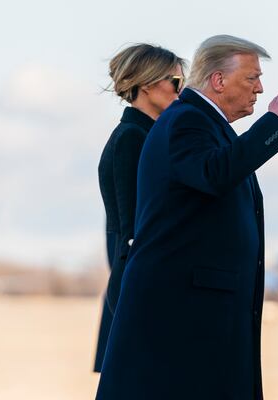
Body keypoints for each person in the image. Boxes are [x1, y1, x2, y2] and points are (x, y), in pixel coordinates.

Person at [96, 35, 278, 399]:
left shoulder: (208, 125)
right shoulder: (187, 121)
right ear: (218, 80)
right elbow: (215, 173)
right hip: (184, 315)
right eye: (251, 78)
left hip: (201, 314)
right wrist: (275, 121)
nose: (260, 88)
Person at [94, 44, 186, 372]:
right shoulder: (133, 138)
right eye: (176, 81)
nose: (182, 89)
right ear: (147, 84)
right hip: (143, 287)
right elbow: (135, 229)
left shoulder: (147, 134)